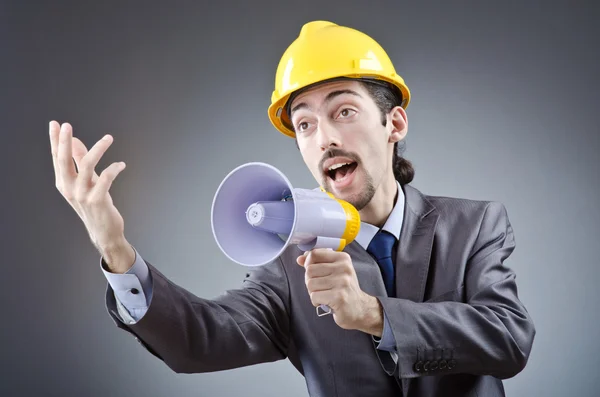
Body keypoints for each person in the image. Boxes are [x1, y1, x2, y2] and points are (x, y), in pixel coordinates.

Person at [49, 20, 536, 397]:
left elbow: (509, 339)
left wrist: (373, 314)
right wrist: (115, 250)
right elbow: (198, 340)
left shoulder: (474, 225)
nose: (324, 138)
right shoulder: (290, 264)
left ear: (395, 123)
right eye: (304, 125)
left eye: (343, 111)